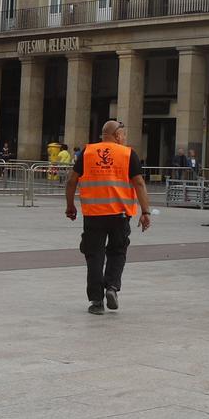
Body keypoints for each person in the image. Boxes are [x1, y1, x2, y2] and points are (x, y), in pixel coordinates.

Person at [64, 118, 151, 315]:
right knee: (118, 252)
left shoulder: (87, 152)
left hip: (94, 215)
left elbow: (71, 180)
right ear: (118, 135)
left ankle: (96, 301)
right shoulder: (128, 154)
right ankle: (112, 287)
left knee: (94, 255)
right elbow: (139, 183)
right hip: (120, 215)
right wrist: (145, 212)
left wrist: (70, 206)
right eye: (124, 134)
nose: (125, 138)